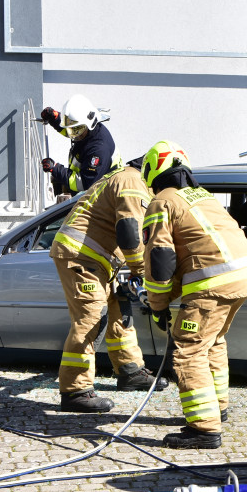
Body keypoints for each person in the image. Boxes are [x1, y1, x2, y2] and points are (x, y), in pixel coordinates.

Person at [140, 140, 247, 449]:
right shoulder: (203, 196)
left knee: (189, 348)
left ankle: (204, 428)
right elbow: (192, 254)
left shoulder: (162, 201)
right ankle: (218, 406)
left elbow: (160, 259)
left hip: (212, 286)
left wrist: (157, 304)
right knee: (213, 341)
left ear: (153, 171)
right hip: (241, 278)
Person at [49, 157, 165, 413]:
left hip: (97, 258)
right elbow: (129, 229)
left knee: (118, 311)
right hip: (82, 256)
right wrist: (141, 272)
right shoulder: (133, 180)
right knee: (92, 319)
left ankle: (130, 371)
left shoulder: (122, 177)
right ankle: (75, 390)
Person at [40, 94, 123, 198]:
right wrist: (55, 119)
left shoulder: (98, 150)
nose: (73, 135)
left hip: (99, 198)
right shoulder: (86, 130)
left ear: (89, 124)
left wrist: (56, 169)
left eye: (76, 130)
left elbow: (84, 184)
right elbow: (73, 129)